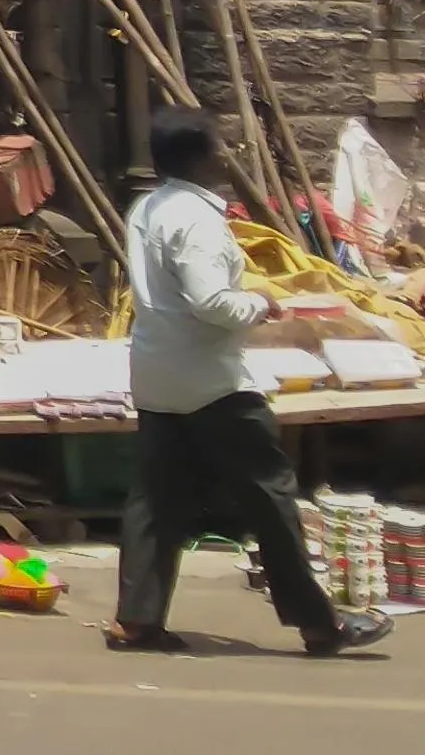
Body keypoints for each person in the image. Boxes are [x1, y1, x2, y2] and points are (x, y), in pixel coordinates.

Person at [111, 111, 392, 657]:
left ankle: (137, 619)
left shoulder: (148, 207)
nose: (226, 157)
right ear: (200, 158)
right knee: (270, 496)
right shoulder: (197, 221)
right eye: (220, 147)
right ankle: (318, 623)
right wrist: (259, 304)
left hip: (158, 373)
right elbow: (211, 302)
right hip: (213, 382)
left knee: (156, 499)